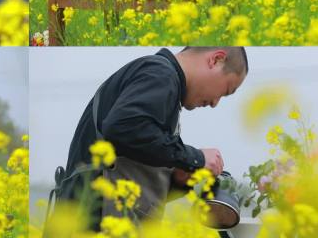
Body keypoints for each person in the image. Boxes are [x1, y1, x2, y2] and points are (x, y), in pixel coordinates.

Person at [59, 47, 248, 228]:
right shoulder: (160, 74)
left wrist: (179, 179)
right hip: (92, 223)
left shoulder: (162, 81)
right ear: (216, 60)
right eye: (226, 91)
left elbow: (137, 173)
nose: (215, 103)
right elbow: (123, 128)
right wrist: (196, 158)